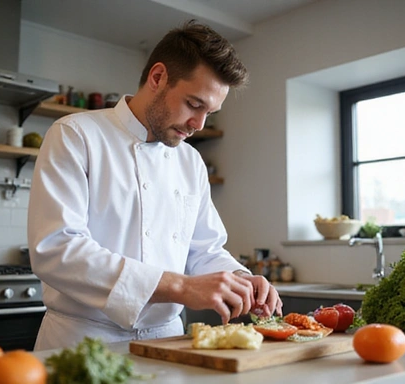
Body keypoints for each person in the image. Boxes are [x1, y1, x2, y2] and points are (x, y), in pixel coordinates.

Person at [27, 20, 283, 350]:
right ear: (158, 77)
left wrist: (241, 280)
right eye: (194, 104)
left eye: (210, 112)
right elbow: (56, 249)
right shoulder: (75, 135)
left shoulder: (190, 162)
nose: (199, 125)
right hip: (82, 341)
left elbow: (204, 250)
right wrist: (181, 287)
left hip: (169, 341)